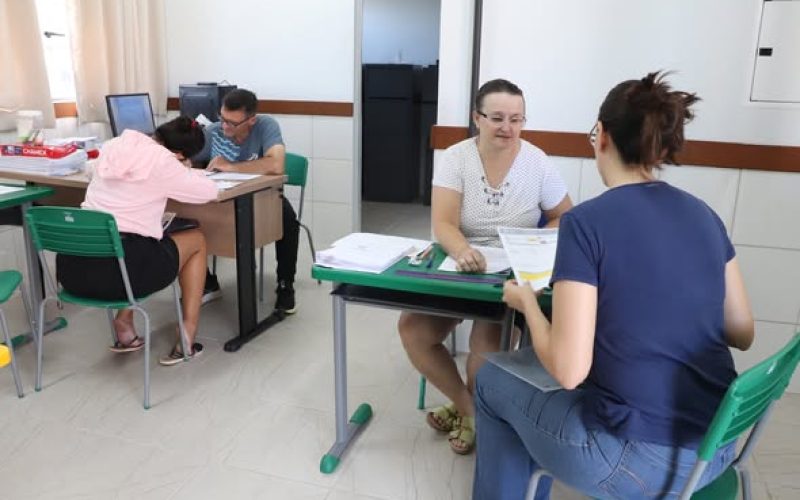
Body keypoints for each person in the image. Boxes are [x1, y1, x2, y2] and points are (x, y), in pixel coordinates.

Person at [472, 72, 756, 500]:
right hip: (716, 448)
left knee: (494, 378)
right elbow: (742, 331)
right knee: (540, 380)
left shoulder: (588, 223)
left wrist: (528, 303)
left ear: (601, 136)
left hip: (636, 462)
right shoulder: (704, 215)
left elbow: (569, 372)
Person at [398, 79, 573, 455]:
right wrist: (461, 250)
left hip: (512, 278)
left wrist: (533, 245)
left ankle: (466, 408)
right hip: (463, 265)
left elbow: (564, 217)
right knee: (413, 329)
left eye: (516, 119)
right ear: (477, 118)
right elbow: (443, 222)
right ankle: (469, 409)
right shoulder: (456, 157)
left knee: (482, 357)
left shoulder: (538, 163)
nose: (507, 128)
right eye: (496, 118)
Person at [57, 116, 218, 365]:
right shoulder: (164, 161)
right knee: (195, 240)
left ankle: (124, 325)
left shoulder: (115, 145)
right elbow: (208, 192)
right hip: (122, 276)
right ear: (180, 153)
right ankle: (187, 334)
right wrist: (184, 169)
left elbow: (91, 170)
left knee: (134, 242)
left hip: (73, 272)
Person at [192, 89, 300, 314]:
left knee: (289, 222)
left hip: (265, 196)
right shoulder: (213, 132)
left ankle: (285, 285)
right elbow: (186, 159)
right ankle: (207, 281)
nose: (224, 127)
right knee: (190, 219)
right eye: (222, 118)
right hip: (224, 202)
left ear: (251, 120)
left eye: (232, 123)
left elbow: (276, 165)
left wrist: (232, 167)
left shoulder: (266, 126)